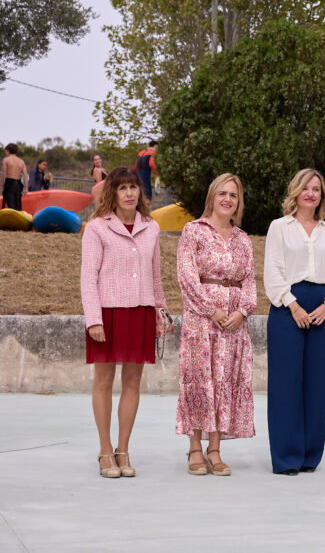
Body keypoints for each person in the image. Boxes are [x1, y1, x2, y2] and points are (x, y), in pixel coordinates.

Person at [80, 166, 170, 478]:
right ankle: (105, 451)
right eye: (123, 188)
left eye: (134, 187)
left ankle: (123, 450)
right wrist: (94, 319)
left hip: (141, 311)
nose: (130, 193)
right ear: (112, 194)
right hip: (106, 313)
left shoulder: (152, 227)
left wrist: (161, 312)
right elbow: (88, 279)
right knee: (104, 382)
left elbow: (156, 276)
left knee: (132, 383)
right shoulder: (96, 228)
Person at [175, 173, 257, 476]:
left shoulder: (243, 238)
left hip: (234, 324)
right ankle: (195, 449)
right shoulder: (193, 231)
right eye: (222, 193)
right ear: (212, 197)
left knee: (224, 382)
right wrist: (212, 310)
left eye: (233, 195)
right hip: (201, 321)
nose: (228, 199)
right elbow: (186, 276)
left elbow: (250, 280)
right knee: (199, 381)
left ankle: (215, 449)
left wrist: (243, 311)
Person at [263, 168, 325, 475]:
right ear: (295, 191)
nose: (311, 193)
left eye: (317, 189)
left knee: (316, 383)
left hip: (323, 306)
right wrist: (292, 304)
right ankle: (286, 457)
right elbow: (272, 272)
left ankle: (310, 455)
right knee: (286, 383)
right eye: (306, 188)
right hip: (288, 306)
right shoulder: (279, 228)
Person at [1, 143, 26, 210]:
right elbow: (25, 175)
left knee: (11, 206)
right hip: (18, 184)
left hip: (9, 183)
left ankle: (11, 219)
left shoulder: (6, 160)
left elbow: (3, 174)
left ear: (8, 151)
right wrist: (26, 188)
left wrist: (2, 186)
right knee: (18, 204)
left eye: (6, 151)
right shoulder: (21, 161)